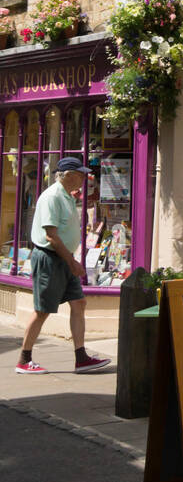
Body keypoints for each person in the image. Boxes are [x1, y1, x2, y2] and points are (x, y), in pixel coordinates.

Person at [16, 157, 111, 374]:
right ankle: (24, 359)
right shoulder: (52, 197)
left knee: (79, 303)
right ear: (68, 176)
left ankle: (81, 358)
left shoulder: (66, 196)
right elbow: (51, 236)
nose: (83, 179)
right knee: (42, 310)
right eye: (80, 175)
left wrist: (70, 259)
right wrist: (72, 261)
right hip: (51, 258)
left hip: (64, 259)